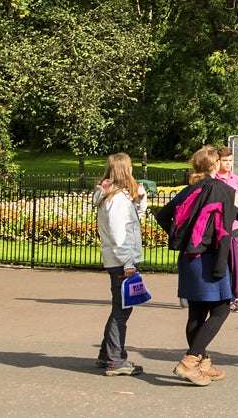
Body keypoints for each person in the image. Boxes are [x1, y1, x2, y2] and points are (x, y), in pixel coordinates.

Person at [153, 144, 238, 386]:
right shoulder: (222, 190)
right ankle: (190, 360)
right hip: (212, 256)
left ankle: (202, 361)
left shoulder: (190, 189)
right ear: (215, 165)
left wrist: (179, 238)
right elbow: (227, 227)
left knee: (196, 311)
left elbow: (162, 215)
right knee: (222, 309)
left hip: (189, 257)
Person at [93, 154, 148, 375]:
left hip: (117, 259)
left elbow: (135, 218)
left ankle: (107, 355)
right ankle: (115, 359)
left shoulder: (114, 195)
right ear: (125, 170)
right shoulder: (115, 199)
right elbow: (119, 234)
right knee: (121, 310)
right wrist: (128, 262)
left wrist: (140, 198)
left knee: (121, 307)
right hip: (120, 261)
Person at [214, 147, 238, 314]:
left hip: (233, 228)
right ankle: (219, 298)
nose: (228, 164)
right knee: (220, 264)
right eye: (225, 161)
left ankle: (232, 299)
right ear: (218, 161)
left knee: (236, 264)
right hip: (218, 228)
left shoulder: (235, 179)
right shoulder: (213, 180)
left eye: (230, 160)